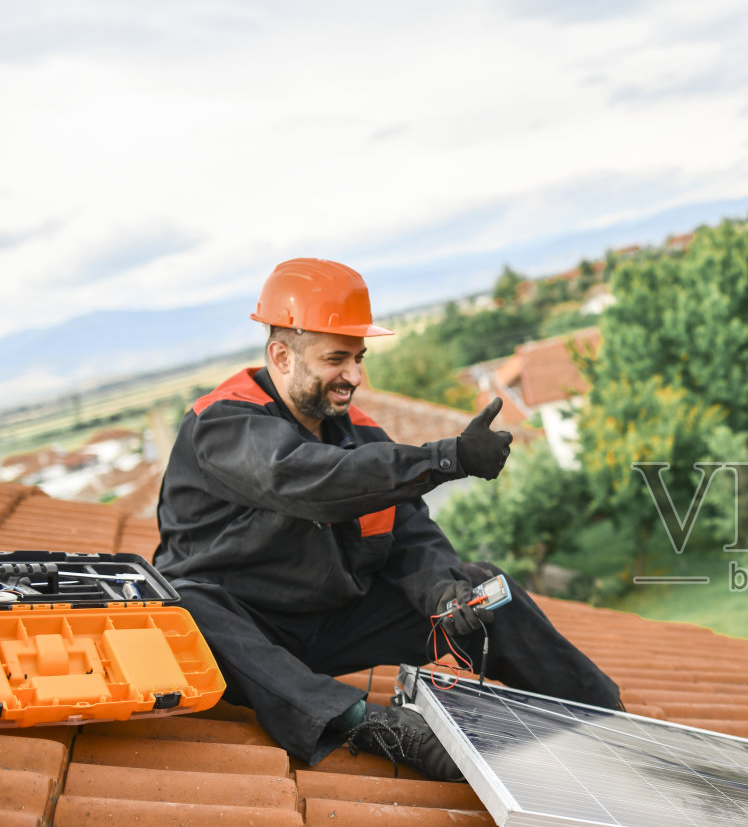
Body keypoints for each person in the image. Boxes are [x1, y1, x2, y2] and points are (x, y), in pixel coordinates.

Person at [155, 257, 620, 780]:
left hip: (331, 623)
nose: (354, 376)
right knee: (182, 605)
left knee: (484, 586)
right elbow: (313, 480)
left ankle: (611, 725)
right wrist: (447, 459)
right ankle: (367, 724)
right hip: (246, 640)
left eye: (359, 357)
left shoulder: (362, 436)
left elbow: (409, 536)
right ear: (281, 356)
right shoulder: (221, 424)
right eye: (337, 359)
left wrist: (443, 594)